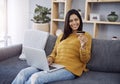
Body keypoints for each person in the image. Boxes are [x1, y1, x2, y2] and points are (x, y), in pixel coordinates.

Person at [12, 9, 92, 84]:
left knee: (36, 78)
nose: (74, 23)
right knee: (23, 73)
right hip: (55, 65)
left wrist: (83, 46)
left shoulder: (86, 36)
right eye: (71, 21)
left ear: (80, 20)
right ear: (67, 23)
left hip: (69, 69)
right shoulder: (61, 36)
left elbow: (85, 60)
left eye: (76, 19)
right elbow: (54, 53)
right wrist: (50, 59)